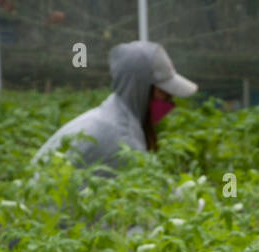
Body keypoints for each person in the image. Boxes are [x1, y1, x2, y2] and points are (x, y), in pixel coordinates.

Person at [33, 41, 197, 173]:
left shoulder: (110, 116)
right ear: (140, 90)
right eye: (164, 93)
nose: (170, 101)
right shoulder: (122, 139)